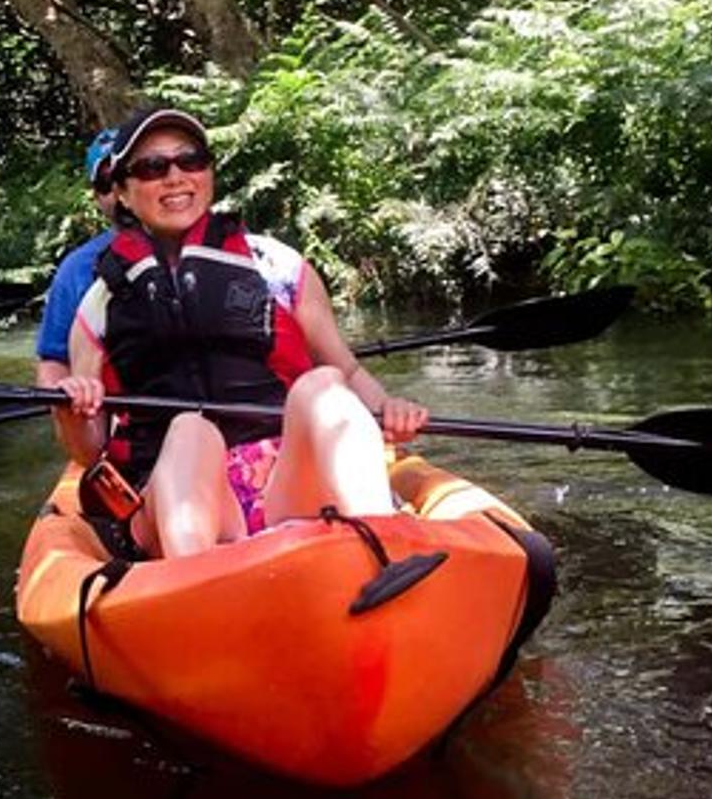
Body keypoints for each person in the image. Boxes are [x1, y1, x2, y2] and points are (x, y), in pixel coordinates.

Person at [50, 107, 428, 560]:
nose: (175, 177)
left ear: (208, 172)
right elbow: (88, 451)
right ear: (125, 193)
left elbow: (343, 367)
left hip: (282, 484)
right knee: (190, 429)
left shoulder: (279, 269)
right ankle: (198, 584)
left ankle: (384, 545)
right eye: (153, 168)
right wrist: (74, 409)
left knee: (323, 385)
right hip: (176, 492)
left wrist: (387, 409)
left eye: (191, 160)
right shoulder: (99, 303)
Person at [35, 127, 119, 389]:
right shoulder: (78, 267)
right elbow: (53, 362)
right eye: (107, 183)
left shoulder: (220, 248)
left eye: (129, 173)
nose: (119, 190)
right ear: (96, 198)